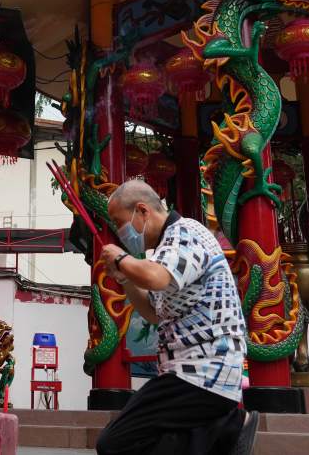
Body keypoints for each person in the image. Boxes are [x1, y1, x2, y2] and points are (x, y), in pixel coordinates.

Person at [94, 179, 258, 455]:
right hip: (189, 373)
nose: (120, 232)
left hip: (202, 370)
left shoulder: (186, 233)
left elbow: (155, 277)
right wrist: (125, 279)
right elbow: (153, 312)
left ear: (142, 211)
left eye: (119, 222)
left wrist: (122, 258)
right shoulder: (166, 249)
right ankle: (224, 431)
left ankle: (229, 428)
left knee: (114, 443)